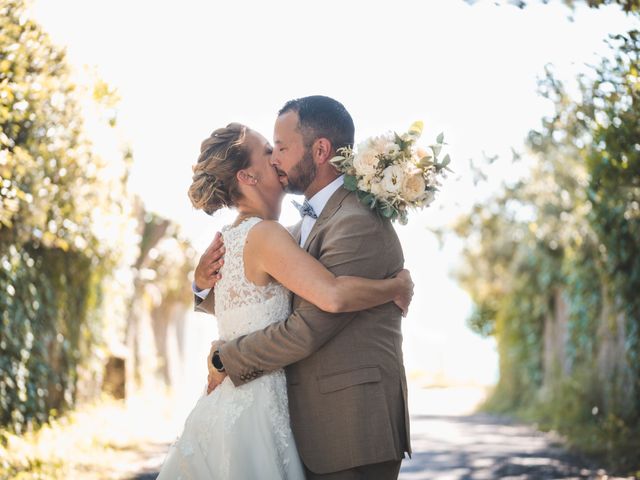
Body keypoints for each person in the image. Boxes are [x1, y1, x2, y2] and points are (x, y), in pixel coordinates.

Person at [156, 117, 413, 479]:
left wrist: (201, 290)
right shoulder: (268, 235)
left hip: (257, 408)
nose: (276, 157)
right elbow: (332, 298)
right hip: (257, 408)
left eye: (280, 147)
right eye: (268, 150)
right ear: (247, 176)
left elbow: (251, 299)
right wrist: (396, 288)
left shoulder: (239, 237)